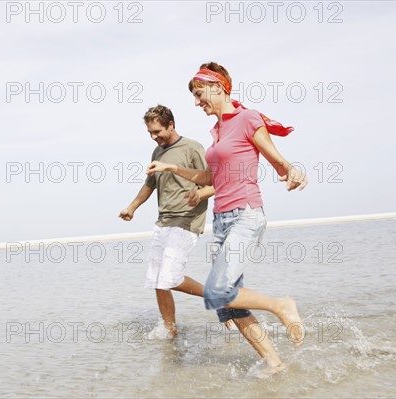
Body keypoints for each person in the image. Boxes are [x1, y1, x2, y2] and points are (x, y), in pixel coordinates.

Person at [147, 62, 308, 372]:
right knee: (227, 305)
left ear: (218, 87)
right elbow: (211, 176)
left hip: (246, 215)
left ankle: (281, 305)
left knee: (218, 291)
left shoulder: (248, 119)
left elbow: (277, 160)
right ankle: (275, 363)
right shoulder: (219, 130)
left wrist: (292, 171)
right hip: (222, 220)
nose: (197, 102)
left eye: (199, 94)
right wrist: (171, 168)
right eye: (194, 96)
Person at [119, 105, 215, 338]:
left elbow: (213, 183)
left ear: (171, 124)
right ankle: (169, 330)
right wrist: (132, 207)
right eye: (150, 133)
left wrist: (198, 195)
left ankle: (219, 297)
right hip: (163, 221)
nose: (154, 137)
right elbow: (150, 184)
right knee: (157, 280)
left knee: (170, 278)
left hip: (186, 219)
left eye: (157, 132)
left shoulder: (192, 148)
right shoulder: (157, 152)